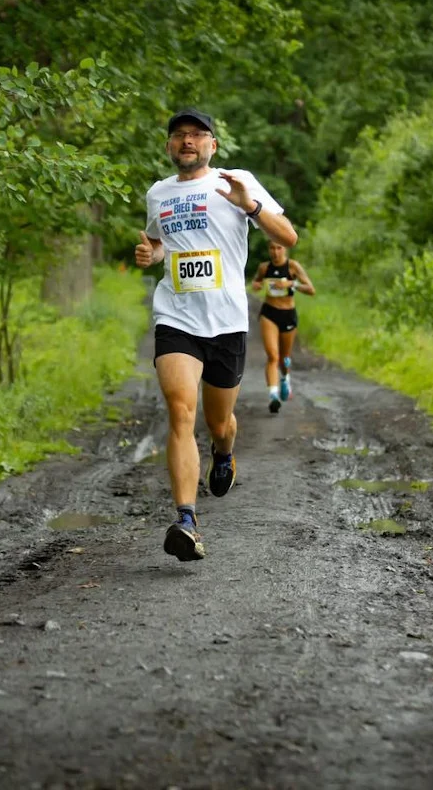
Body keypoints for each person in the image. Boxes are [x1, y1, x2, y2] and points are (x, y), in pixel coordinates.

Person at [134, 108, 298, 561]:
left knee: (219, 424)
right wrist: (152, 254)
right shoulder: (158, 193)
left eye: (197, 134)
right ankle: (186, 520)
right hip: (176, 316)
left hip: (226, 322)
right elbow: (160, 242)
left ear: (212, 145)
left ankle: (223, 452)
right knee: (180, 411)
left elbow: (288, 236)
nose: (187, 141)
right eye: (179, 135)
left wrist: (251, 205)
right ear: (169, 146)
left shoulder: (236, 181)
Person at [251, 243, 315, 413]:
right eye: (272, 248)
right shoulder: (264, 268)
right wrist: (256, 285)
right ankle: (273, 395)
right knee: (273, 356)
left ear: (285, 249)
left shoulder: (293, 266)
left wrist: (291, 284)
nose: (275, 252)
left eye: (279, 248)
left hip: (288, 314)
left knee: (284, 358)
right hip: (269, 313)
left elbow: (311, 289)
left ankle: (285, 377)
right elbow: (256, 282)